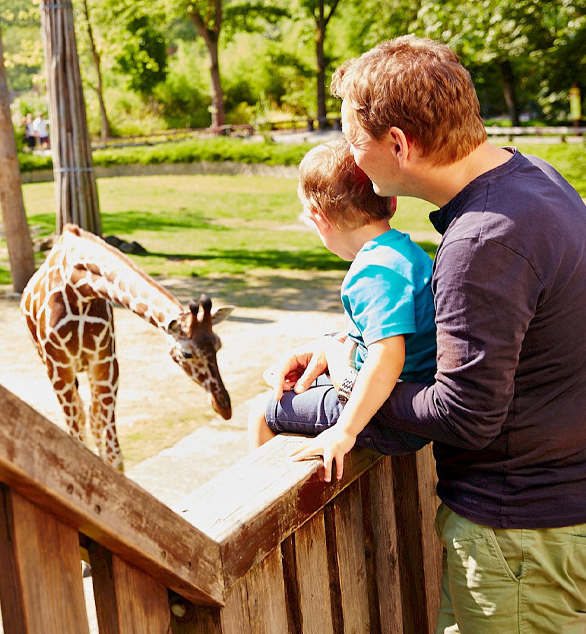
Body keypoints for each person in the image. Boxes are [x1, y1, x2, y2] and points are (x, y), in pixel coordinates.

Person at [281, 36, 586, 632]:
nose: (352, 158)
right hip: (555, 520)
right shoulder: (536, 182)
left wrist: (349, 382)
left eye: (353, 141)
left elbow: (463, 415)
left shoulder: (483, 241)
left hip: (521, 537)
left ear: (398, 144)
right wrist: (350, 345)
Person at [249, 140, 435, 481]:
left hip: (390, 416)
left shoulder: (371, 272)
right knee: (294, 387)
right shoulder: (407, 254)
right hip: (409, 401)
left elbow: (387, 357)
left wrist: (344, 431)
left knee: (263, 413)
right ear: (390, 201)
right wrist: (329, 351)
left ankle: (258, 498)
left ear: (320, 220)